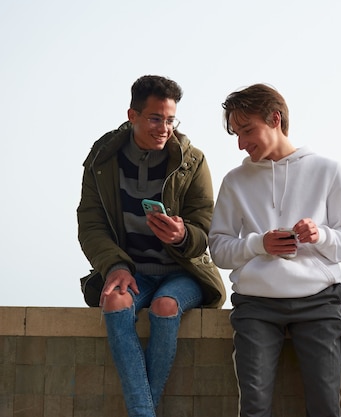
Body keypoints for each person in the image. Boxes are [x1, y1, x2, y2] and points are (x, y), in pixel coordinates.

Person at [77, 75, 226, 417]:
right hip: (132, 271)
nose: (164, 128)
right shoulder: (102, 159)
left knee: (164, 307)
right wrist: (115, 266)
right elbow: (90, 222)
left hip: (184, 272)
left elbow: (206, 225)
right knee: (114, 300)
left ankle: (141, 413)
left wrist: (182, 236)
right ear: (133, 116)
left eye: (171, 119)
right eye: (155, 118)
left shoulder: (193, 161)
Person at [208, 83, 341, 417]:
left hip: (319, 302)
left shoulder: (327, 169)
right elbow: (218, 249)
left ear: (275, 119)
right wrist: (257, 244)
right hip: (256, 306)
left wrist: (319, 235)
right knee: (254, 408)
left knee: (325, 408)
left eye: (248, 130)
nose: (241, 143)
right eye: (236, 133)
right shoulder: (235, 181)